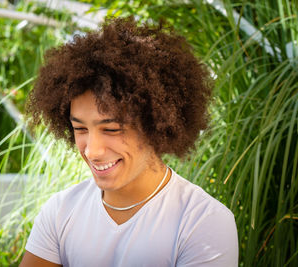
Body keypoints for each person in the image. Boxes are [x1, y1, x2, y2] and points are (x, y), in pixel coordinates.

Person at [20, 16, 238, 267]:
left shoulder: (203, 222)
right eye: (80, 128)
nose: (92, 151)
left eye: (111, 129)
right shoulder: (59, 212)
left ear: (156, 124)